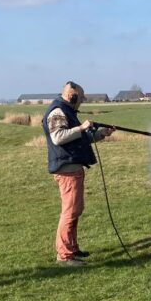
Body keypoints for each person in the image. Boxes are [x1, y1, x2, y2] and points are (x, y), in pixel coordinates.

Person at [42, 81, 113, 264]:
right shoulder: (57, 112)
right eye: (80, 98)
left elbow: (77, 139)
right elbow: (58, 138)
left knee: (75, 210)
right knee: (69, 212)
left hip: (73, 168)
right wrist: (81, 127)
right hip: (67, 170)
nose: (81, 101)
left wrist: (100, 134)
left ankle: (72, 249)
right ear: (72, 96)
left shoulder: (67, 111)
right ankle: (64, 256)